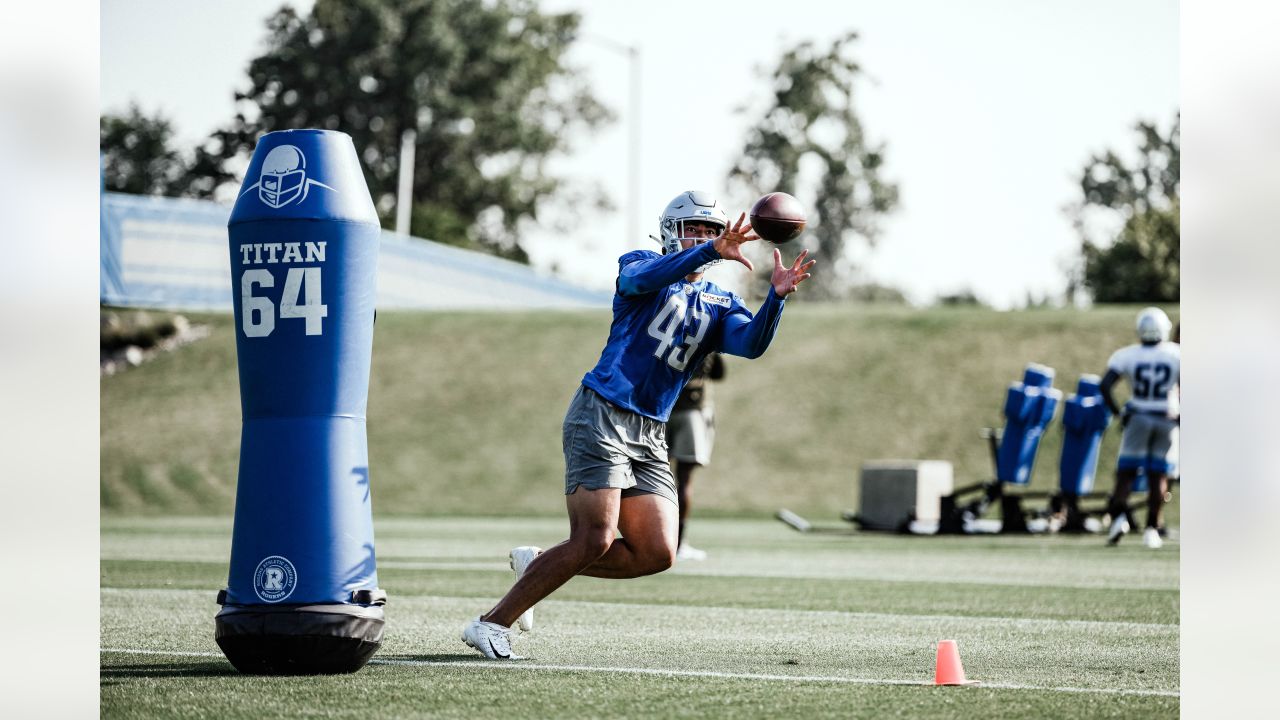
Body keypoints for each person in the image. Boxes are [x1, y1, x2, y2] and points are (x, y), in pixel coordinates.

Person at [461, 190, 815, 659]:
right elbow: (641, 280)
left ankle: (540, 563)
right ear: (672, 230)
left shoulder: (719, 299)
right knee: (595, 538)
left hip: (650, 431)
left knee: (657, 552)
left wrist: (775, 299)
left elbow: (749, 344)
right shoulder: (640, 262)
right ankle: (490, 624)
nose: (706, 239)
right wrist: (711, 250)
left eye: (712, 231)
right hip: (602, 412)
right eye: (697, 229)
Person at [1100, 307, 1180, 549]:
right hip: (1166, 417)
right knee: (1159, 475)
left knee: (1126, 474)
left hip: (1138, 416)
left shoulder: (1127, 355)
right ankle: (1151, 529)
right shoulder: (1177, 354)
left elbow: (1105, 386)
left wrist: (1118, 413)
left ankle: (1119, 519)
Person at [668, 351, 726, 561]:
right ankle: (678, 543)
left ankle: (650, 537)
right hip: (692, 410)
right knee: (684, 481)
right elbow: (719, 372)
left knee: (654, 479)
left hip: (660, 409)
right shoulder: (705, 323)